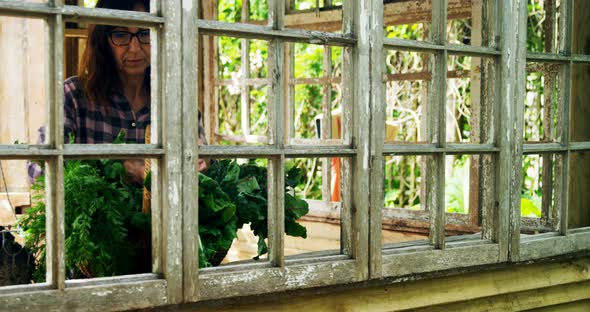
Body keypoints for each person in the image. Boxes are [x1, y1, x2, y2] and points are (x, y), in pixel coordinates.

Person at [28, 0, 208, 185]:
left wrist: (204, 161)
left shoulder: (177, 100)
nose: (135, 48)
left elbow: (209, 169)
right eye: (121, 35)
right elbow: (38, 171)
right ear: (103, 41)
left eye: (145, 33)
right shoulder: (73, 96)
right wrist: (119, 170)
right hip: (94, 214)